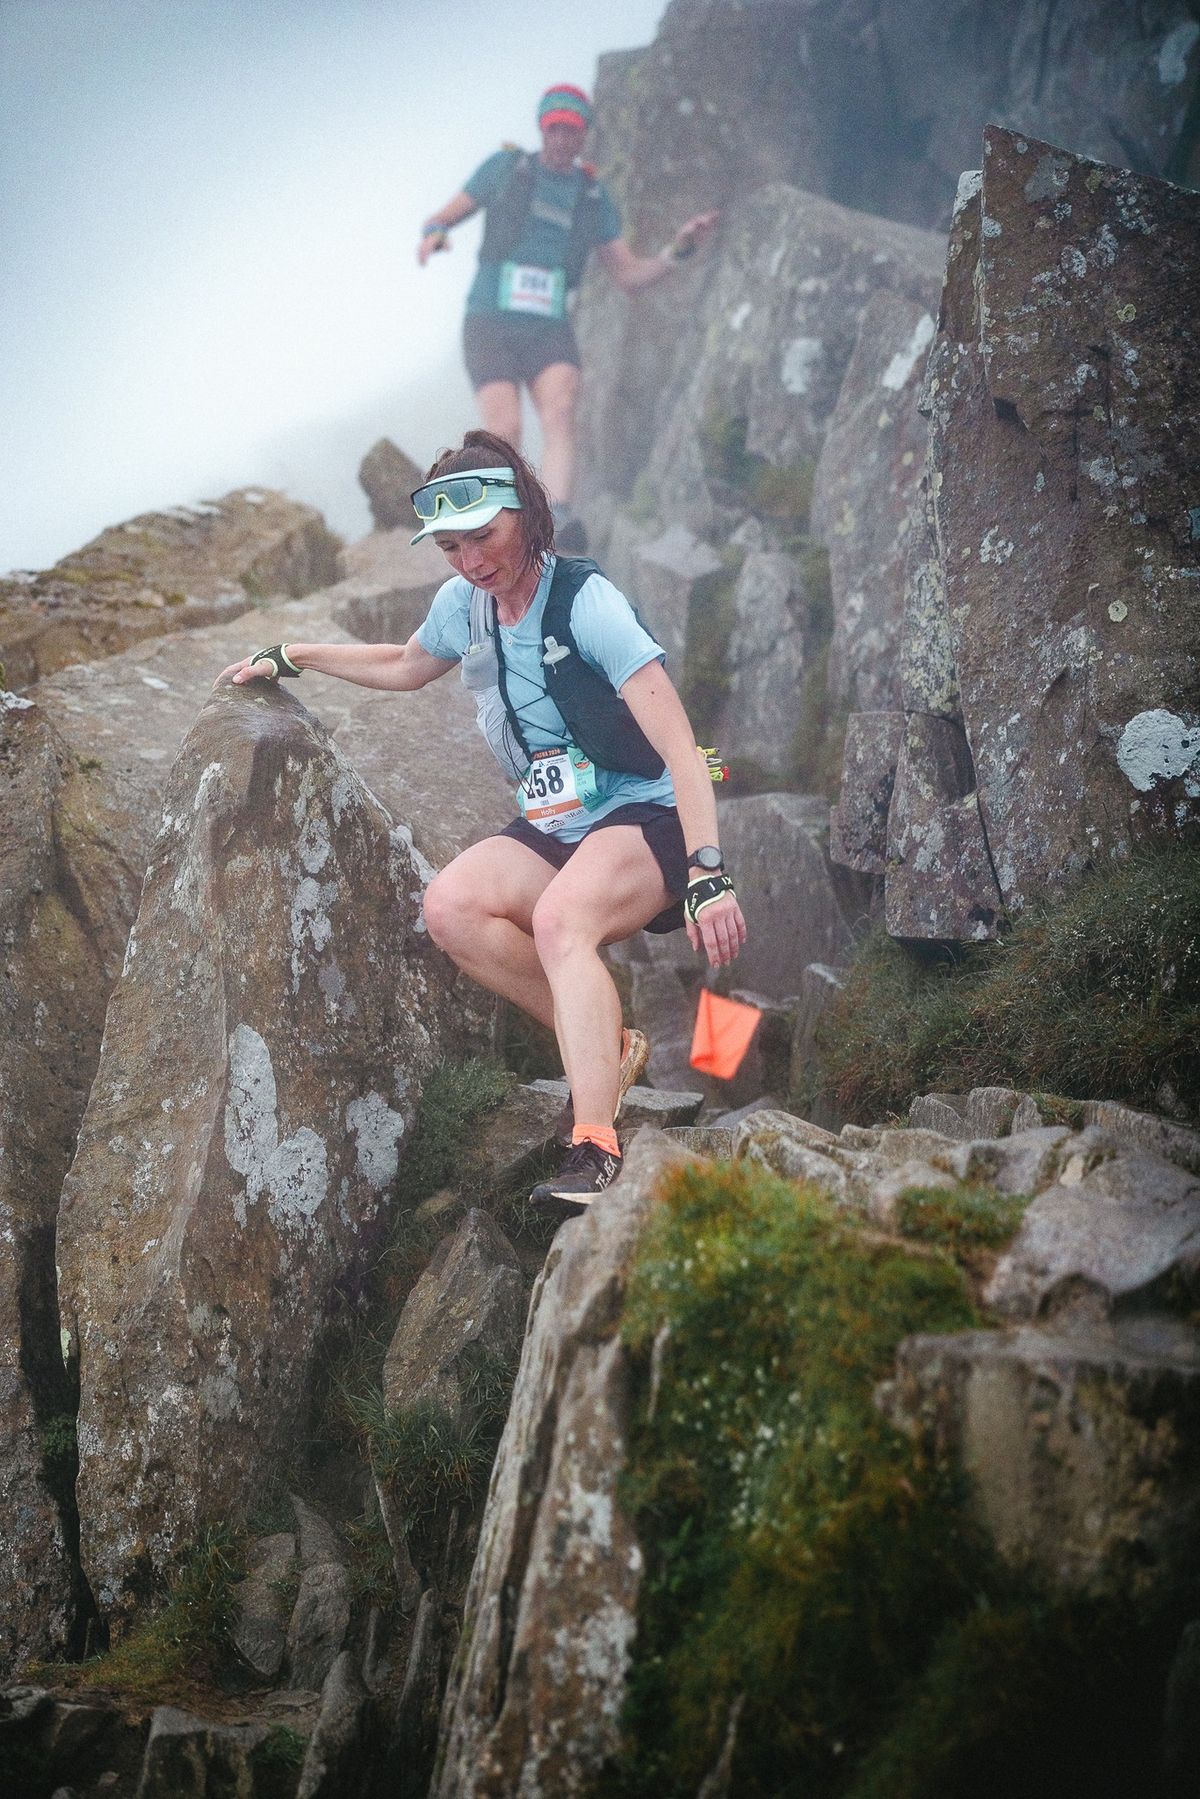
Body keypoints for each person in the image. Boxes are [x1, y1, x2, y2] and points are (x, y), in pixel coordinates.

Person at [219, 431, 745, 1216]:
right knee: (450, 910)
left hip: (649, 808)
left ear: (527, 515)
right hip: (557, 818)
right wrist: (294, 655)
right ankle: (611, 1046)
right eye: (451, 547)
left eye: (484, 537)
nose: (470, 561)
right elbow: (404, 664)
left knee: (564, 919)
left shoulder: (588, 603)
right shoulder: (464, 606)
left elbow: (679, 745)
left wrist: (708, 871)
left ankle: (595, 1145)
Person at [417, 83, 718, 549]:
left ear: (584, 138)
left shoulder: (592, 198)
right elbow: (443, 216)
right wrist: (434, 236)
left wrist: (678, 251)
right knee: (505, 428)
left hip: (547, 326)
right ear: (542, 129)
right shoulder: (506, 169)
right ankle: (502, 522)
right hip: (489, 321)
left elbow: (630, 275)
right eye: (554, 128)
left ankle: (552, 520)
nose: (561, 139)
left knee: (559, 412)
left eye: (571, 131)